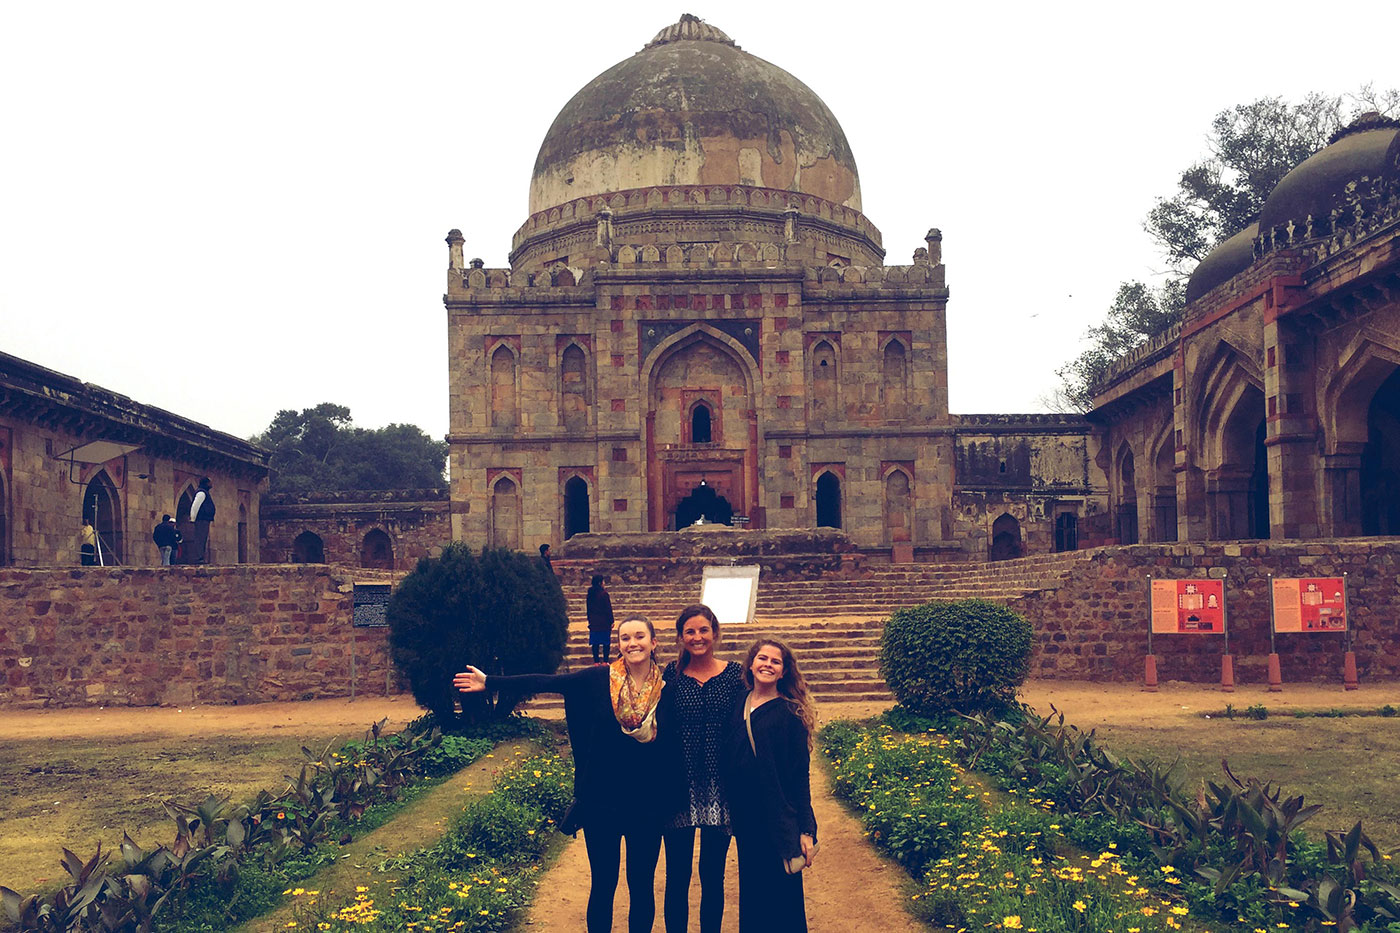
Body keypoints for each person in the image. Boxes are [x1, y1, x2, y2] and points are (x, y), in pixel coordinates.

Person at [452, 616, 680, 933]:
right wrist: (490, 682)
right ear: (619, 645)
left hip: (647, 804)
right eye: (625, 638)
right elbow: (546, 681)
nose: (632, 643)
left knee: (641, 885)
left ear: (654, 642)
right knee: (603, 884)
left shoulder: (669, 689)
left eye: (639, 636)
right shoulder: (597, 680)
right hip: (602, 803)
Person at [721, 639, 818, 933]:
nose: (767, 665)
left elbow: (800, 775)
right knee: (752, 887)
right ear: (750, 664)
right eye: (762, 658)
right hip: (745, 814)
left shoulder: (790, 713)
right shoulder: (739, 701)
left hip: (776, 814)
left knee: (783, 889)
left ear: (783, 672)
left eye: (775, 662)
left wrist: (806, 828)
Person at [661, 604, 744, 933]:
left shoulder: (736, 675)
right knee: (677, 873)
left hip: (720, 785)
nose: (697, 637)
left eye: (703, 630)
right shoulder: (671, 675)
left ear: (715, 633)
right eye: (690, 632)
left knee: (713, 873)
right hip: (678, 784)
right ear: (681, 637)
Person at [586, 575, 615, 663]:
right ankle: (605, 661)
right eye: (603, 581)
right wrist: (611, 620)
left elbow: (588, 609)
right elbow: (608, 608)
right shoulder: (604, 594)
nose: (604, 583)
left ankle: (596, 662)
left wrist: (590, 620)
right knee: (606, 642)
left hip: (594, 622)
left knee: (595, 643)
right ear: (600, 583)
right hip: (604, 622)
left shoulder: (590, 594)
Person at [186, 477, 215, 564]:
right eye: (210, 482)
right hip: (201, 520)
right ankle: (198, 558)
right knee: (200, 538)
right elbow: (195, 506)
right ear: (206, 483)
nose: (211, 484)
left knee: (203, 538)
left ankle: (201, 557)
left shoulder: (204, 492)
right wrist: (193, 518)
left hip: (204, 519)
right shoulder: (201, 493)